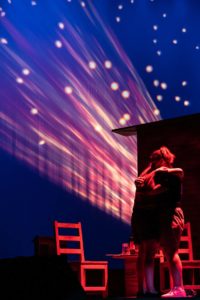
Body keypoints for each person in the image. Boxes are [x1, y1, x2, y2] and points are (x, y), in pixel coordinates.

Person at [131, 146, 186, 298]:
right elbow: (152, 190)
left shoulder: (171, 174)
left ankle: (178, 288)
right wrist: (141, 184)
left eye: (154, 160)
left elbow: (178, 173)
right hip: (160, 216)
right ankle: (152, 290)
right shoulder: (156, 173)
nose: (152, 164)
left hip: (170, 215)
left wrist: (145, 189)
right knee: (158, 252)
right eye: (151, 161)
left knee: (171, 251)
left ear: (162, 159)